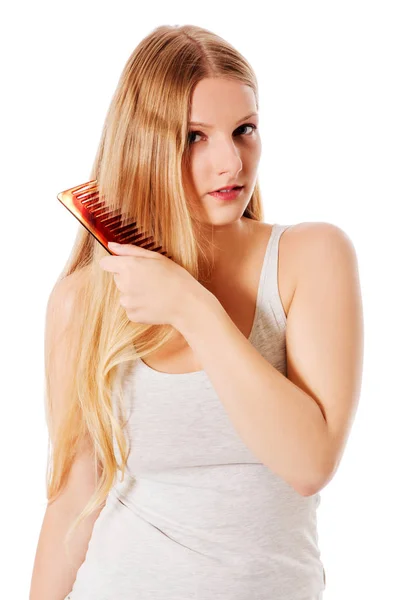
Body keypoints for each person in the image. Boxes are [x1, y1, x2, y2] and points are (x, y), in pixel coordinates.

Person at [29, 24, 364, 600]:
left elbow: (309, 463)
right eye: (194, 138)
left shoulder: (311, 258)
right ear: (143, 146)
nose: (230, 162)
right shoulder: (82, 301)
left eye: (244, 130)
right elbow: (73, 502)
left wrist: (191, 306)